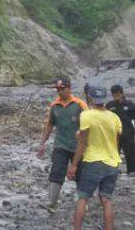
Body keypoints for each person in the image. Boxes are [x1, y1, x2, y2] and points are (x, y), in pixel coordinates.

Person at [68, 84, 122, 230]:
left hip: (93, 162)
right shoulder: (115, 117)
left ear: (90, 98)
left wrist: (73, 165)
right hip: (112, 163)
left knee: (83, 198)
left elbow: (83, 142)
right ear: (105, 99)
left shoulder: (86, 115)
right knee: (106, 200)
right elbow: (116, 143)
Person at [37, 77, 88, 213]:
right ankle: (52, 202)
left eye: (62, 89)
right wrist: (42, 143)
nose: (60, 92)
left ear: (69, 88)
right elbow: (49, 125)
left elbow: (90, 123)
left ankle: (82, 201)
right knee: (57, 170)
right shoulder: (54, 106)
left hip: (78, 146)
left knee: (80, 172)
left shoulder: (79, 104)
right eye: (58, 89)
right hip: (60, 144)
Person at [106, 84, 135, 174]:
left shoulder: (130, 104)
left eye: (117, 94)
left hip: (128, 133)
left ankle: (132, 171)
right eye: (114, 95)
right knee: (114, 152)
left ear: (122, 93)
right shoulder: (110, 105)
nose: (116, 97)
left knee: (130, 152)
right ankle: (113, 171)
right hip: (114, 134)